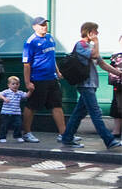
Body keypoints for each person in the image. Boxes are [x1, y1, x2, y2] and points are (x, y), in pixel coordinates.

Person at [58, 22, 121, 150]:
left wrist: (119, 73)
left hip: (91, 84)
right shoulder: (81, 45)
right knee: (95, 113)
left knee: (78, 113)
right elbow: (95, 55)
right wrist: (96, 42)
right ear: (89, 32)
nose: (97, 33)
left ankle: (67, 138)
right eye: (95, 31)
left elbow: (102, 63)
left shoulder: (90, 46)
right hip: (85, 85)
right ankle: (109, 140)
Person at [21, 16, 65, 143]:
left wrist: (57, 71)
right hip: (38, 79)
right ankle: (27, 132)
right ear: (34, 27)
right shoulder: (31, 42)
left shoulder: (50, 38)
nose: (44, 27)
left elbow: (52, 57)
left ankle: (64, 134)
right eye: (41, 25)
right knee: (32, 106)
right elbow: (26, 64)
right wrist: (28, 82)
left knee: (57, 105)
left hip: (52, 78)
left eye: (45, 24)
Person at [0, 77, 26, 142]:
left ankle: (17, 136)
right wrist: (4, 98)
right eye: (13, 84)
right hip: (6, 113)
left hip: (16, 113)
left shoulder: (20, 93)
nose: (15, 85)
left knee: (19, 124)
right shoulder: (6, 92)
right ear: (8, 85)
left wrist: (31, 91)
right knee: (4, 126)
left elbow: (26, 95)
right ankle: (2, 138)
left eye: (17, 84)